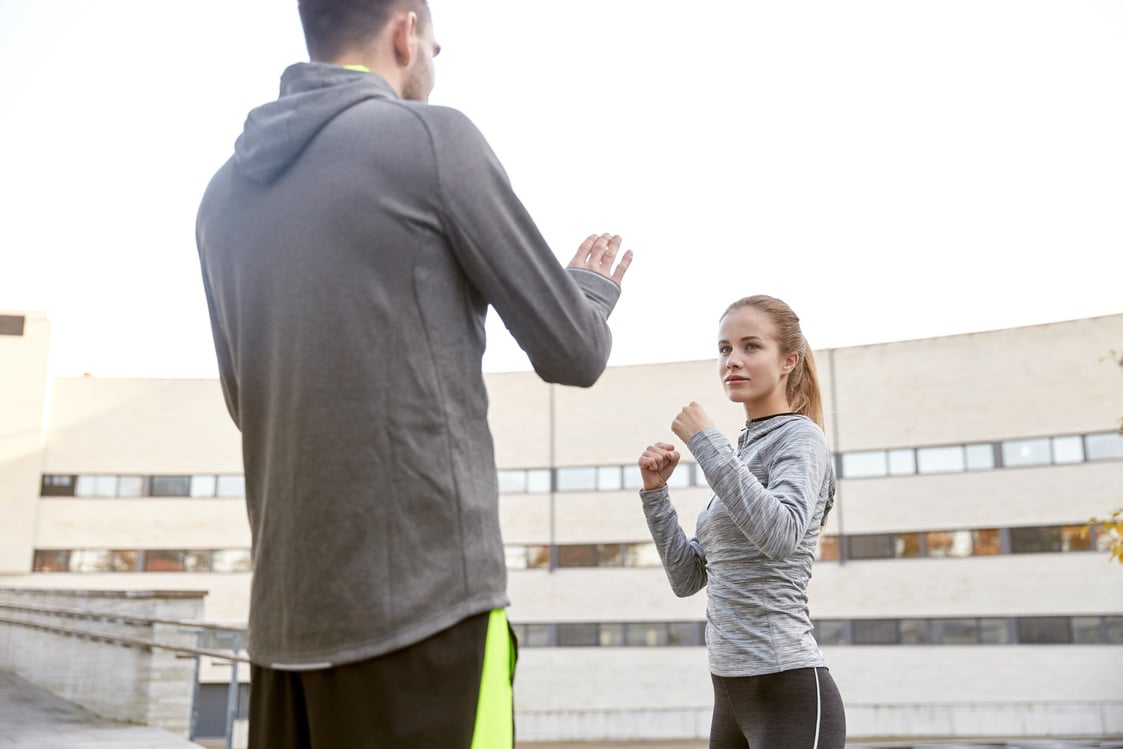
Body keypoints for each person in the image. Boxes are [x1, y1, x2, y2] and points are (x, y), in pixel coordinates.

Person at [194, 1, 633, 746]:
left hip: (281, 636)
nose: (434, 53)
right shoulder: (432, 140)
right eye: (434, 38)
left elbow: (251, 403)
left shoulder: (220, 199)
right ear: (404, 30)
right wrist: (588, 290)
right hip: (429, 621)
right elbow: (572, 350)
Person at [637, 294, 846, 749]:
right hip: (729, 692)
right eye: (725, 349)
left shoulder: (801, 439)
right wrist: (656, 493)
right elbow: (687, 578)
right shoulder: (744, 452)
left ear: (789, 359)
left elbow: (780, 535)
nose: (733, 360)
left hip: (787, 689)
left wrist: (706, 442)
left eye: (751, 346)